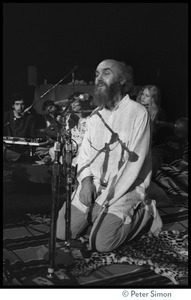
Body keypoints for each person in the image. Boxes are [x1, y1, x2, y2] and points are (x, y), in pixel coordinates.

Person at [56, 59, 162, 253]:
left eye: (106, 73)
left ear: (122, 80)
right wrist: (86, 180)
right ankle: (98, 218)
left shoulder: (138, 114)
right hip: (94, 184)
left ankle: (146, 211)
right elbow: (85, 154)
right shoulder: (96, 115)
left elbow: (132, 169)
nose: (99, 79)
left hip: (125, 188)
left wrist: (101, 202)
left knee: (101, 243)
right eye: (96, 74)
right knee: (62, 232)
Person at [3, 93, 36, 162]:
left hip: (23, 148)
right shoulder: (6, 115)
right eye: (17, 104)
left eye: (22, 104)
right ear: (13, 105)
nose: (20, 107)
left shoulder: (29, 118)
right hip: (7, 147)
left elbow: (32, 136)